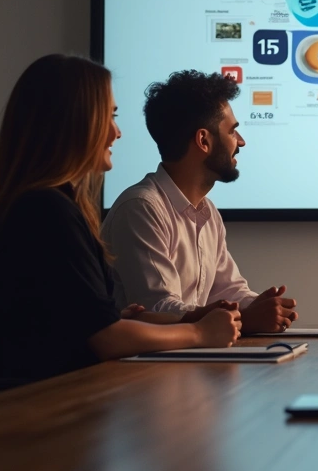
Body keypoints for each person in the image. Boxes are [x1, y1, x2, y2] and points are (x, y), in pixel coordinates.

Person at [0, 55, 241, 385]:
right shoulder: (47, 212)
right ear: (74, 124)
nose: (117, 132)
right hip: (26, 408)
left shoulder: (47, 206)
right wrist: (198, 332)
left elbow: (71, 325)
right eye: (110, 117)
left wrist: (123, 319)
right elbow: (106, 339)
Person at [102, 70, 298, 334]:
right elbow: (157, 308)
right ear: (203, 140)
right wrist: (247, 318)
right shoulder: (141, 208)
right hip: (144, 359)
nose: (241, 142)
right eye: (233, 131)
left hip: (191, 354)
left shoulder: (208, 212)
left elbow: (229, 289)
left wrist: (261, 306)